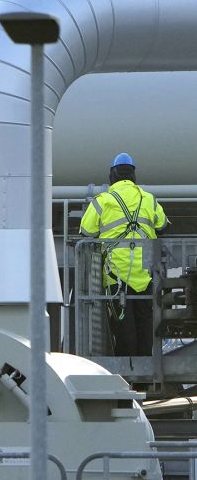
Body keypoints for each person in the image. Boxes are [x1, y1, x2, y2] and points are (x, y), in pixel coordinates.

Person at [80, 153, 169, 356]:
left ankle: (128, 376)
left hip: (116, 275)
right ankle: (146, 372)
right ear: (133, 175)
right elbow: (162, 226)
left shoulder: (102, 200)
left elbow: (85, 232)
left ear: (112, 176)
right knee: (145, 323)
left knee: (122, 325)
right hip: (145, 273)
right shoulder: (148, 199)